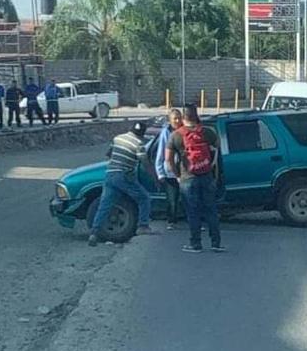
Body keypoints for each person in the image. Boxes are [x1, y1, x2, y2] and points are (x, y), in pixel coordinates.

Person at [166, 104, 224, 253]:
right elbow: (217, 149)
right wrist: (212, 167)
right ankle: (216, 243)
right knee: (211, 209)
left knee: (192, 211)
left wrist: (177, 175)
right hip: (206, 175)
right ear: (197, 116)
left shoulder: (176, 135)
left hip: (187, 178)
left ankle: (195, 244)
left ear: (183, 117)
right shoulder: (208, 132)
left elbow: (168, 159)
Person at [88, 121, 155, 246]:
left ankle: (94, 232)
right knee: (144, 198)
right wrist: (155, 177)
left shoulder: (118, 138)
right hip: (123, 175)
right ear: (141, 134)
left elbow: (108, 155)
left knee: (105, 204)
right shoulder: (140, 143)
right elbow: (145, 163)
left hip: (110, 174)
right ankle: (143, 226)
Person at [156, 108, 183, 230]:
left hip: (185, 171)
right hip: (170, 172)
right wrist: (160, 173)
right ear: (170, 120)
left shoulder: (185, 130)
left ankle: (192, 220)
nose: (177, 120)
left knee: (189, 198)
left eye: (179, 118)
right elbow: (161, 154)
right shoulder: (166, 133)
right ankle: (172, 221)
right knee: (172, 199)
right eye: (175, 118)